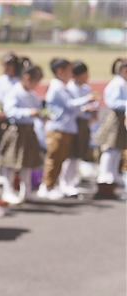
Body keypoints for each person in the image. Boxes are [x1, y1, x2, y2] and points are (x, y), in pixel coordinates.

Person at [42, 58, 96, 200]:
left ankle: (52, 185)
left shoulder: (62, 86)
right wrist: (86, 100)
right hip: (57, 127)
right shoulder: (57, 86)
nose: (71, 74)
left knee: (60, 158)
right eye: (69, 70)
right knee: (54, 158)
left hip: (65, 127)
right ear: (60, 71)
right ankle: (47, 186)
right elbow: (70, 104)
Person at [0, 64, 44, 204]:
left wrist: (41, 115)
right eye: (35, 82)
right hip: (16, 131)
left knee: (27, 162)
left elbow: (39, 107)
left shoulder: (32, 94)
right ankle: (8, 190)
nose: (36, 85)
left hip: (29, 130)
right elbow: (10, 111)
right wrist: (28, 112)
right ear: (27, 78)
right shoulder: (14, 92)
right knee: (11, 162)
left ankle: (26, 191)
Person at [93, 58, 127, 198]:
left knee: (117, 148)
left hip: (120, 118)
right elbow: (112, 102)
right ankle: (105, 175)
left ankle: (112, 174)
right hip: (114, 118)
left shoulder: (122, 83)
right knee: (110, 147)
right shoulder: (117, 83)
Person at [59, 61, 94, 197]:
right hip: (74, 123)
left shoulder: (86, 88)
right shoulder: (70, 88)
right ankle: (65, 182)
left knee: (79, 154)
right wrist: (85, 105)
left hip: (84, 124)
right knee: (70, 154)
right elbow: (72, 107)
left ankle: (73, 181)